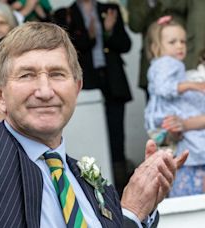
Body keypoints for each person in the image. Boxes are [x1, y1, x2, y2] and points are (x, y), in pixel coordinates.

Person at [0, 0, 188, 227]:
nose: (44, 90)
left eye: (57, 74)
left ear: (77, 88)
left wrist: (133, 212)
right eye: (26, 75)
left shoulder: (97, 187)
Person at [65, 0, 132, 195]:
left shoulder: (110, 9)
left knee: (117, 135)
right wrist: (92, 36)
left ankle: (120, 189)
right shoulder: (66, 13)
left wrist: (109, 31)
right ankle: (94, 187)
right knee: (91, 133)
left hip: (113, 81)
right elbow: (72, 50)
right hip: (86, 84)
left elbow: (125, 45)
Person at [144, 16, 205, 197]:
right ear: (156, 47)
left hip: (167, 129)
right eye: (172, 42)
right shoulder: (166, 63)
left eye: (183, 41)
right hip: (174, 128)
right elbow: (164, 87)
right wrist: (194, 86)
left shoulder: (171, 66)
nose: (179, 46)